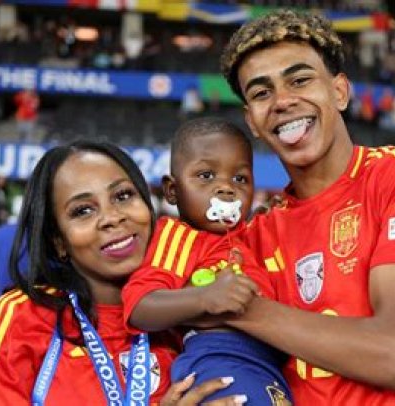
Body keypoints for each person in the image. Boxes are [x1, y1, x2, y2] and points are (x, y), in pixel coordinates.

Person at [208, 9, 395, 405]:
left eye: (300, 80)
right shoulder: (254, 236)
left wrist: (230, 307)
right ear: (252, 122)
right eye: (261, 93)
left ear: (340, 92)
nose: (282, 101)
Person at [0, 140, 244, 405]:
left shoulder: (192, 306)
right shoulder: (19, 318)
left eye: (123, 196)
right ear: (58, 241)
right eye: (83, 211)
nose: (112, 217)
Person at [123, 117, 292, 404]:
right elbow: (139, 306)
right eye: (206, 175)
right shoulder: (178, 236)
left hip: (270, 366)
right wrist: (204, 297)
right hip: (218, 359)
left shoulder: (251, 237)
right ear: (172, 191)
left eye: (240, 179)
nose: (226, 188)